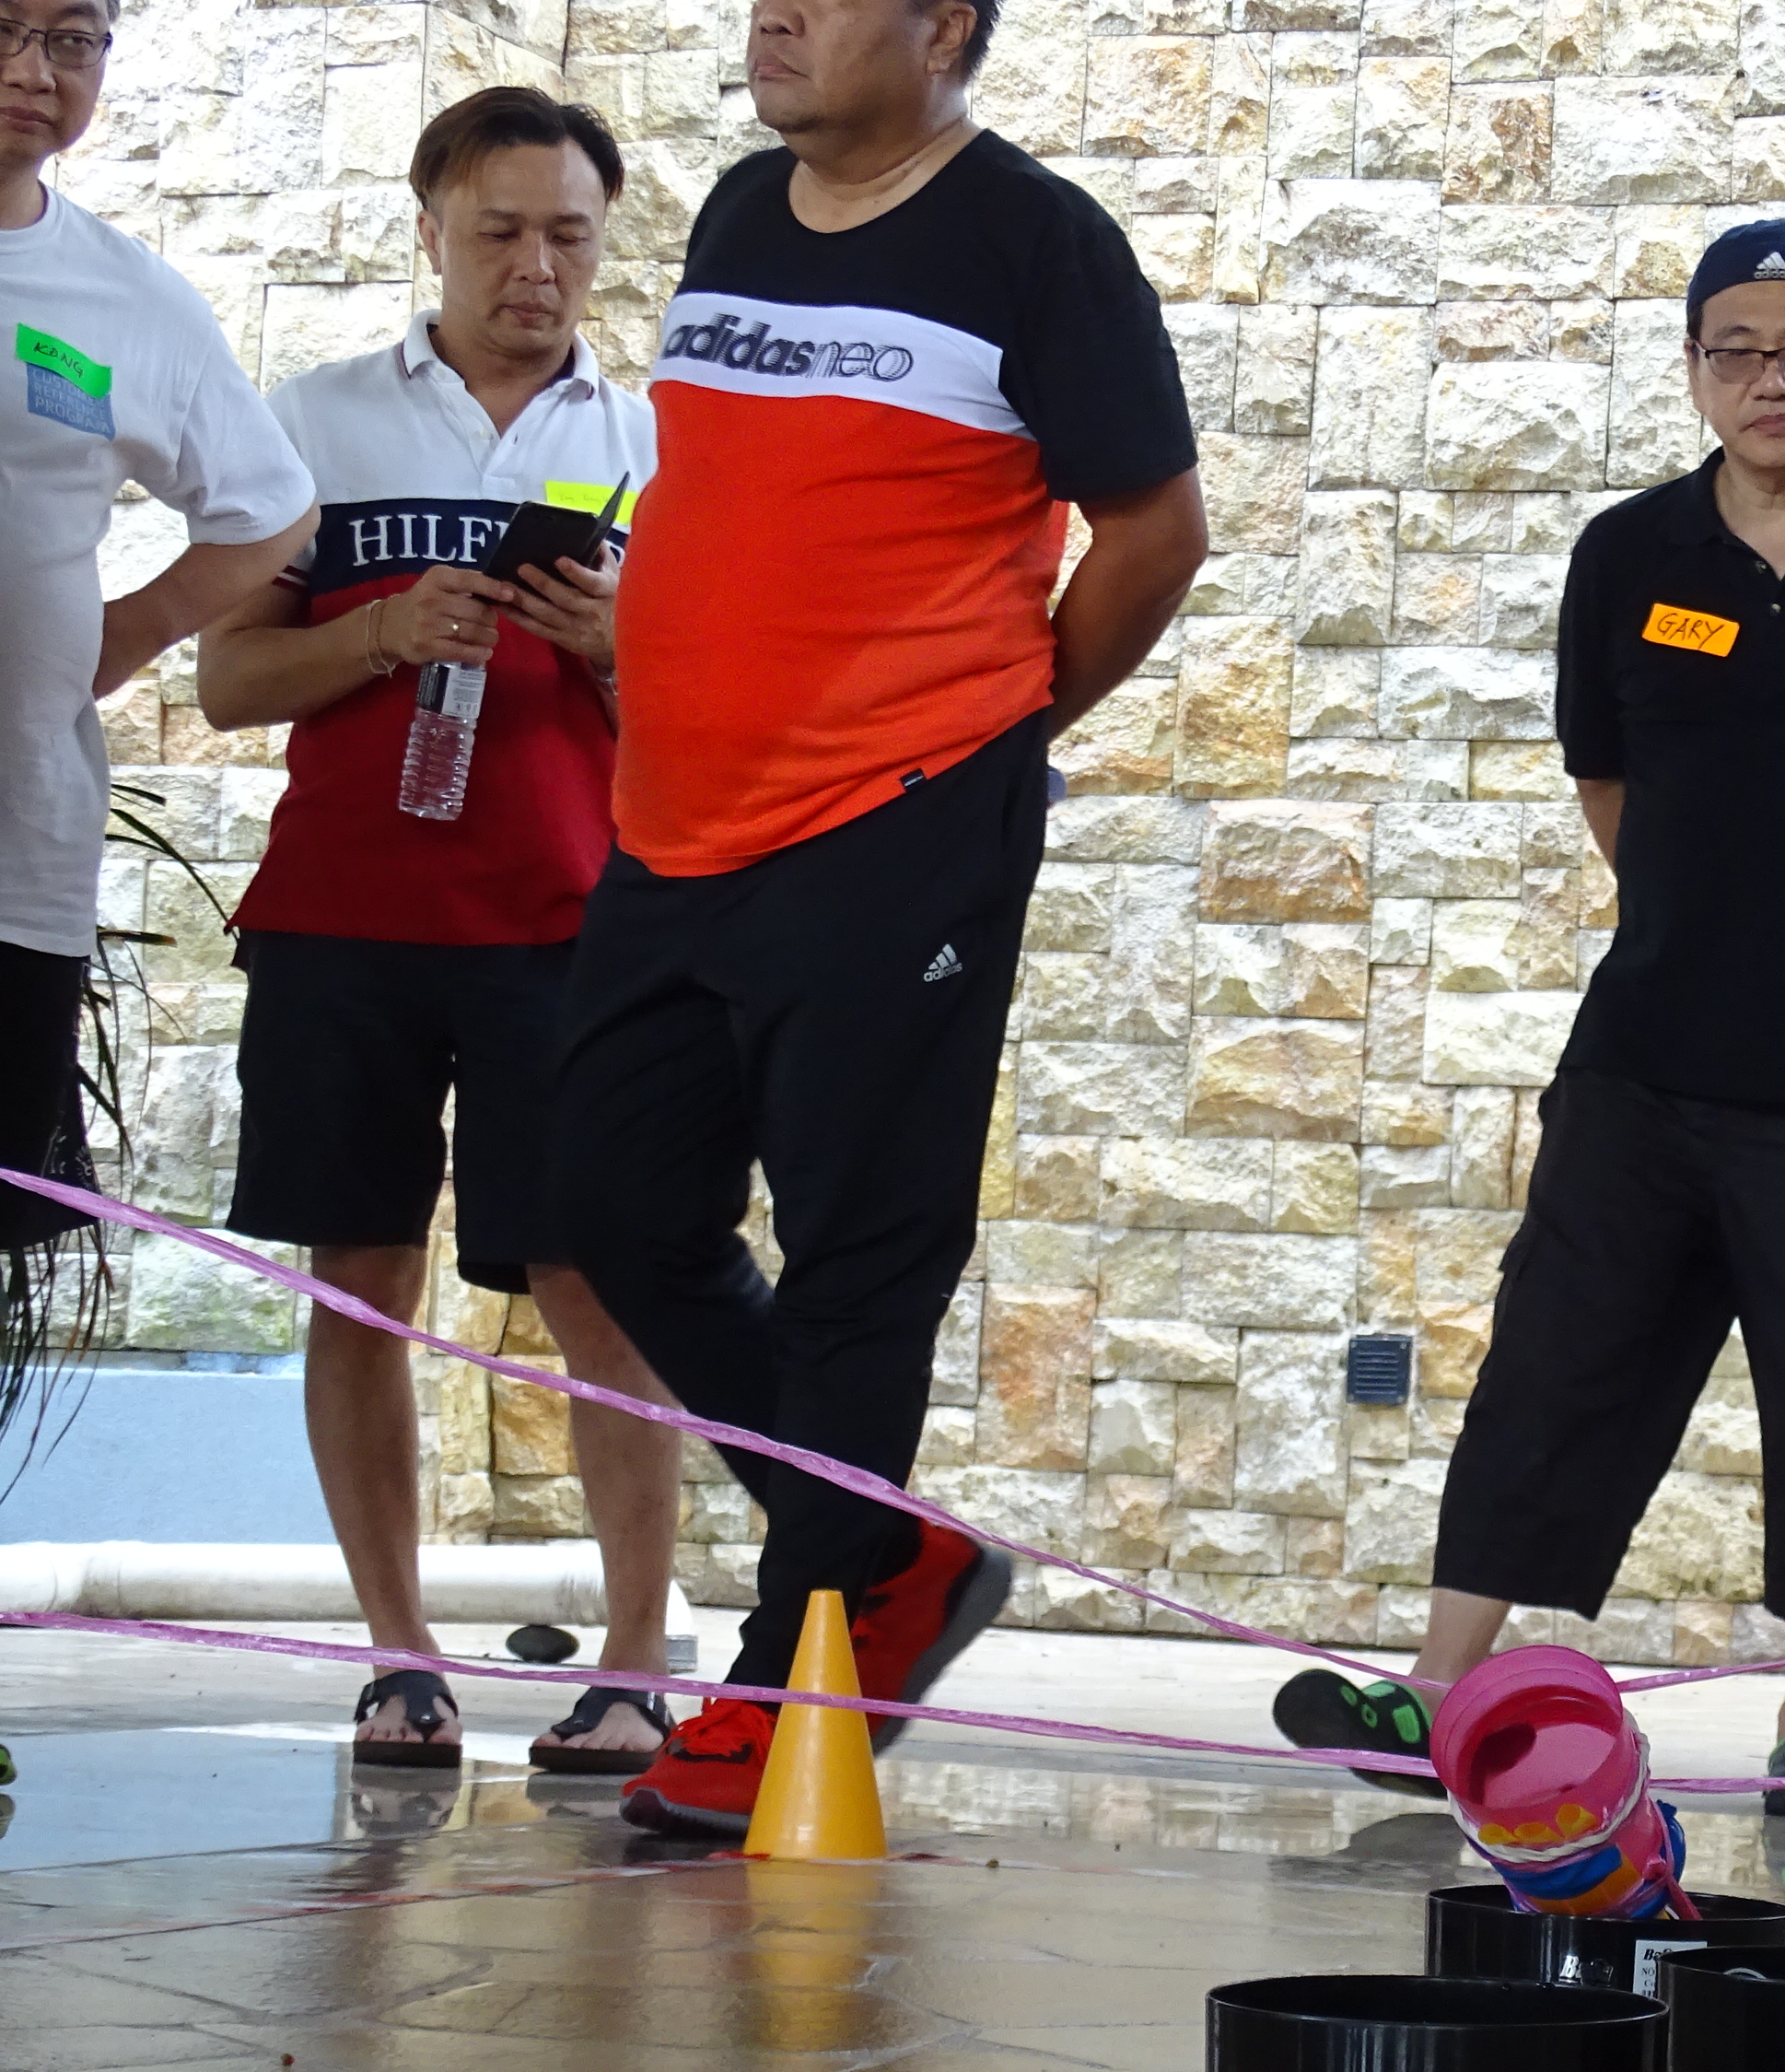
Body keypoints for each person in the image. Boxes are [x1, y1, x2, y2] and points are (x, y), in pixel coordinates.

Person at [561, 0, 1207, 1833]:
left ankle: (793, 1674)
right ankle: (887, 1557)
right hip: (676, 825)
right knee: (608, 1207)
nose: (773, 14)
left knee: (861, 1259)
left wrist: (989, 741)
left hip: (897, 821)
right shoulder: (737, 213)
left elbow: (1155, 534)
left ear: (941, 29)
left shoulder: (1038, 242)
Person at [1272, 217, 1785, 1829]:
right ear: (1693, 372)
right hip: (1645, 1057)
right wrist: (1710, 908)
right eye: (1736, 351)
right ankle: (1439, 1686)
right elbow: (1610, 784)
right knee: (1553, 1360)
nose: (1771, 379)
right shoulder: (1629, 552)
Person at [196, 87, 682, 1777]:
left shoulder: (661, 446)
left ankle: (637, 1660)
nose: (536, 267)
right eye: (501, 231)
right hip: (343, 922)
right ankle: (398, 1657)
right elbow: (227, 679)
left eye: (569, 236)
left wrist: (619, 647)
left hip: (575, 930)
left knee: (599, 1284)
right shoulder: (317, 421)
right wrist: (384, 631)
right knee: (360, 1284)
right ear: (431, 230)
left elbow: (730, 720)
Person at [0, 0, 312, 1408]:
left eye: (73, 39)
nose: (35, 71)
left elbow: (269, 511)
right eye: (8, 29)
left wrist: (113, 637)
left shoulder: (127, 299)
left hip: (14, 852)